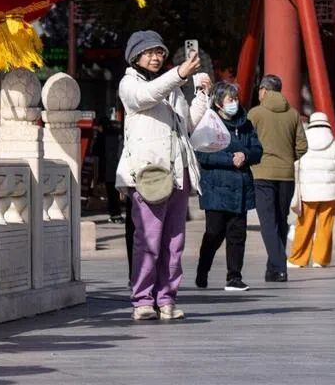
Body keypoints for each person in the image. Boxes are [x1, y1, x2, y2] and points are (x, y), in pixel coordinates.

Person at [116, 30, 208, 321]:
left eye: (159, 52)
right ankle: (143, 300)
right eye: (148, 53)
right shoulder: (130, 84)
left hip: (178, 171)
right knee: (148, 240)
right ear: (135, 57)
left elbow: (186, 125)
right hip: (150, 174)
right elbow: (146, 96)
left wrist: (202, 94)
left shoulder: (173, 87)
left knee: (174, 242)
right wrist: (179, 74)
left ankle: (166, 298)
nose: (155, 57)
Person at [195, 81, 263, 292]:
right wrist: (229, 159)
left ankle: (234, 277)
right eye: (230, 99)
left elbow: (258, 150)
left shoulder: (245, 124)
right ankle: (203, 269)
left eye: (236, 98)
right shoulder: (208, 123)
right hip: (216, 187)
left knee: (237, 235)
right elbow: (201, 155)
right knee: (214, 233)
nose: (234, 102)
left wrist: (246, 156)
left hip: (240, 187)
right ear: (218, 103)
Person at [248, 74, 307, 282]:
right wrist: (288, 158)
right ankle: (272, 269)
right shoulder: (293, 114)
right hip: (286, 175)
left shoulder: (255, 113)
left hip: (262, 173)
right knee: (281, 221)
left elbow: (246, 142)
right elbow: (302, 146)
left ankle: (280, 266)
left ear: (264, 90)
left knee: (267, 223)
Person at [288, 112, 335, 269]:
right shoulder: (334, 143)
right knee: (326, 226)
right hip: (329, 192)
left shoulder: (303, 142)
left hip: (308, 191)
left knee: (304, 225)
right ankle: (321, 259)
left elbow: (296, 164)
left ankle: (298, 259)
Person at [93, 107, 125, 224]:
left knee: (111, 193)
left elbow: (95, 151)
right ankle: (117, 214)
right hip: (119, 167)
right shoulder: (118, 136)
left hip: (108, 169)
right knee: (116, 193)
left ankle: (115, 214)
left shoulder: (102, 137)